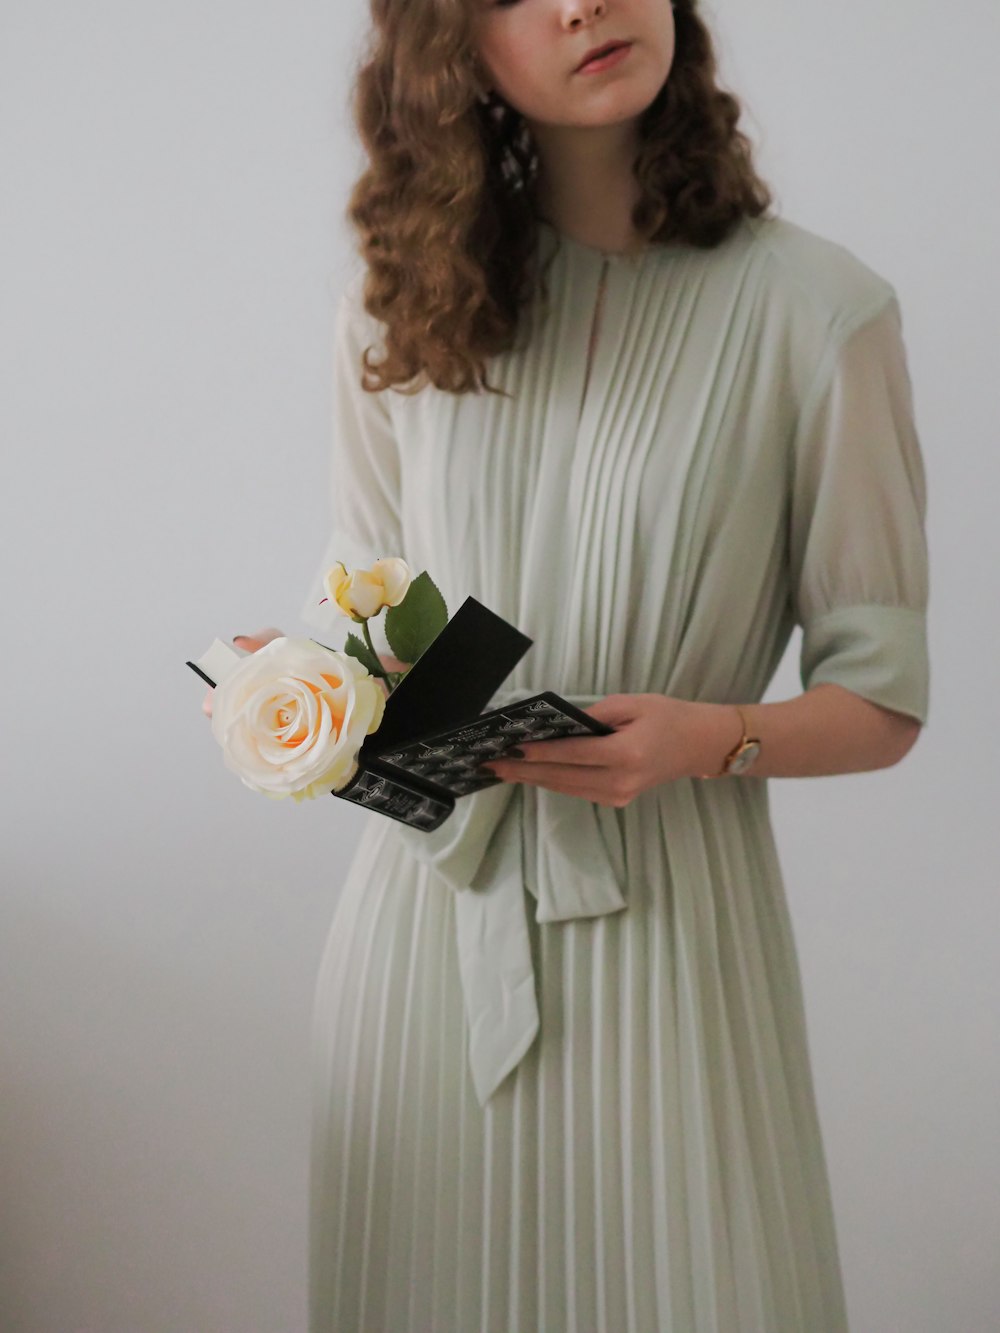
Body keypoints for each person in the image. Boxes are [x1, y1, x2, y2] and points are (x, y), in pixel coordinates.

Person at [211, 0, 930, 1327]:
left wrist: (707, 738)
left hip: (678, 939)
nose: (581, 6)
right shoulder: (399, 308)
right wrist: (299, 685)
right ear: (450, 49)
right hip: (420, 949)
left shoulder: (821, 313)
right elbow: (371, 604)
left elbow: (883, 698)